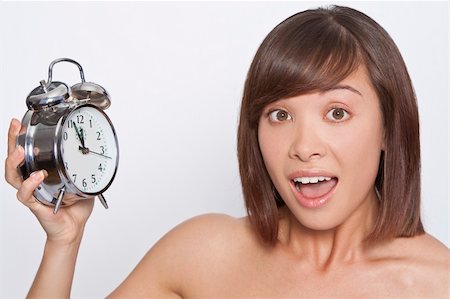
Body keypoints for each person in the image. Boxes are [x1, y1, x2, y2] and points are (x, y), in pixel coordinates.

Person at [5, 5, 449, 298]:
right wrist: (64, 242)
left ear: (390, 127)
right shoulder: (203, 253)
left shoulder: (435, 283)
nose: (304, 147)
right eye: (279, 115)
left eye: (336, 113)